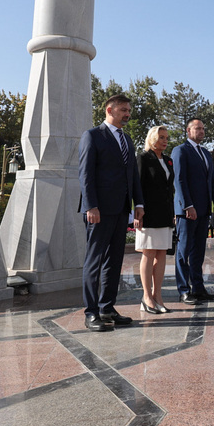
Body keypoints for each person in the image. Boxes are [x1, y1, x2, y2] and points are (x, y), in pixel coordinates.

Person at [78, 94, 144, 332]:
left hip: (121, 210)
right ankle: (91, 312)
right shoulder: (92, 136)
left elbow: (132, 176)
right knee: (94, 261)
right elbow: (85, 174)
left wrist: (139, 204)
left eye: (129, 110)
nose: (128, 113)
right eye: (124, 109)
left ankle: (107, 308)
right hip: (99, 211)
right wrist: (90, 206)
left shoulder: (127, 139)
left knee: (114, 262)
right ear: (110, 109)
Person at [172, 118, 214, 304]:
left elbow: (212, 181)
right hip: (187, 211)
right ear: (188, 130)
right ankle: (184, 290)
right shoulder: (180, 151)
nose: (201, 131)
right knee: (184, 251)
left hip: (203, 210)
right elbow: (180, 180)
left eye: (203, 128)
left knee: (198, 252)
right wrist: (187, 205)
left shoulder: (206, 154)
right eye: (197, 128)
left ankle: (198, 288)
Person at [136, 125, 174, 315]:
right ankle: (146, 297)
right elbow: (138, 186)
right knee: (148, 253)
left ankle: (157, 296)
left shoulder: (168, 161)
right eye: (161, 137)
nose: (165, 141)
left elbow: (170, 189)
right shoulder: (143, 158)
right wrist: (138, 210)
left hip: (165, 213)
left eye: (166, 137)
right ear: (152, 138)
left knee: (161, 255)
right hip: (148, 213)